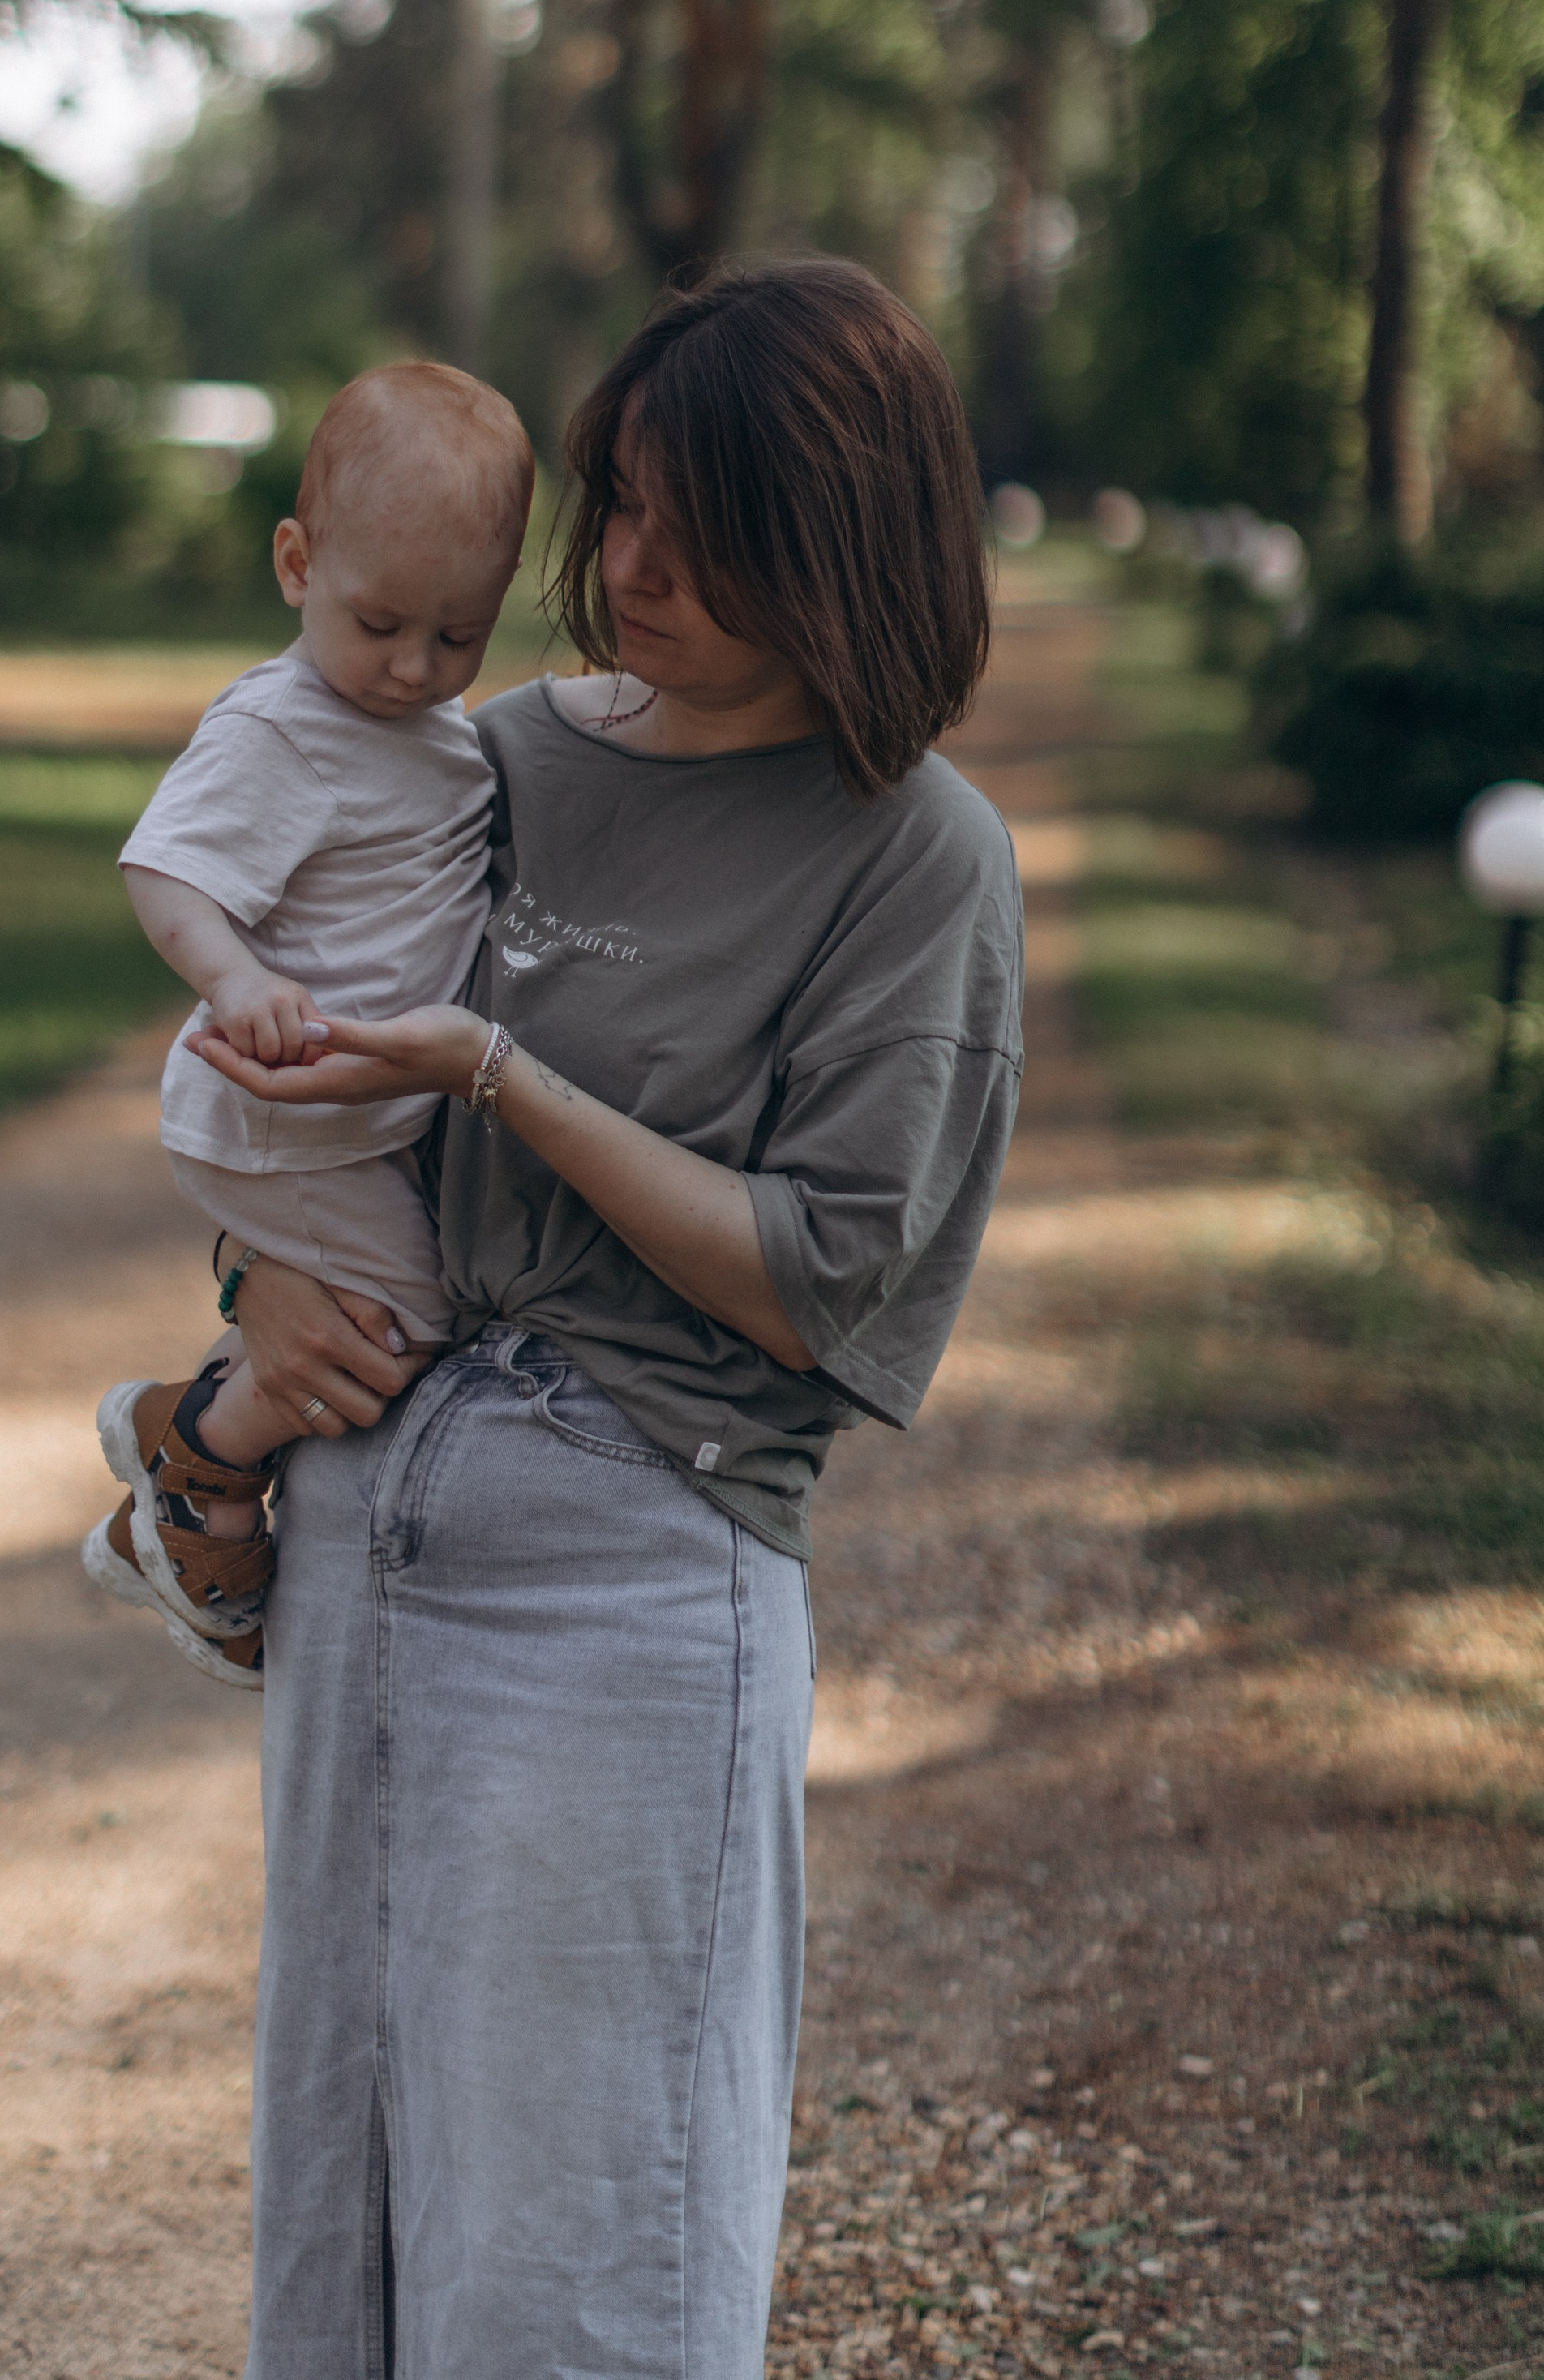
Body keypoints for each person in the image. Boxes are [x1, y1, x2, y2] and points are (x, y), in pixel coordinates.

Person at [197, 255, 1027, 2379]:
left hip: (635, 1567)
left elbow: (816, 1276)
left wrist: (502, 1076)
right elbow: (292, 1066)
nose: (628, 568)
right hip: (367, 1529)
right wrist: (257, 1292)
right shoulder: (483, 760)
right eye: (622, 500)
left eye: (701, 531)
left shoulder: (913, 857)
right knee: (352, 2219)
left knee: (578, 2257)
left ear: (836, 548)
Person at [83, 361, 534, 1684]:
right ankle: (198, 1476)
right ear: (296, 564)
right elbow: (163, 869)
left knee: (372, 1304)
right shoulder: (282, 727)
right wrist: (236, 981)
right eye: (380, 622)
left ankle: (176, 1441)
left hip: (352, 1124)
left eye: (457, 635)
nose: (413, 666)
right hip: (280, 1117)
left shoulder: (433, 727)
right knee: (403, 1325)